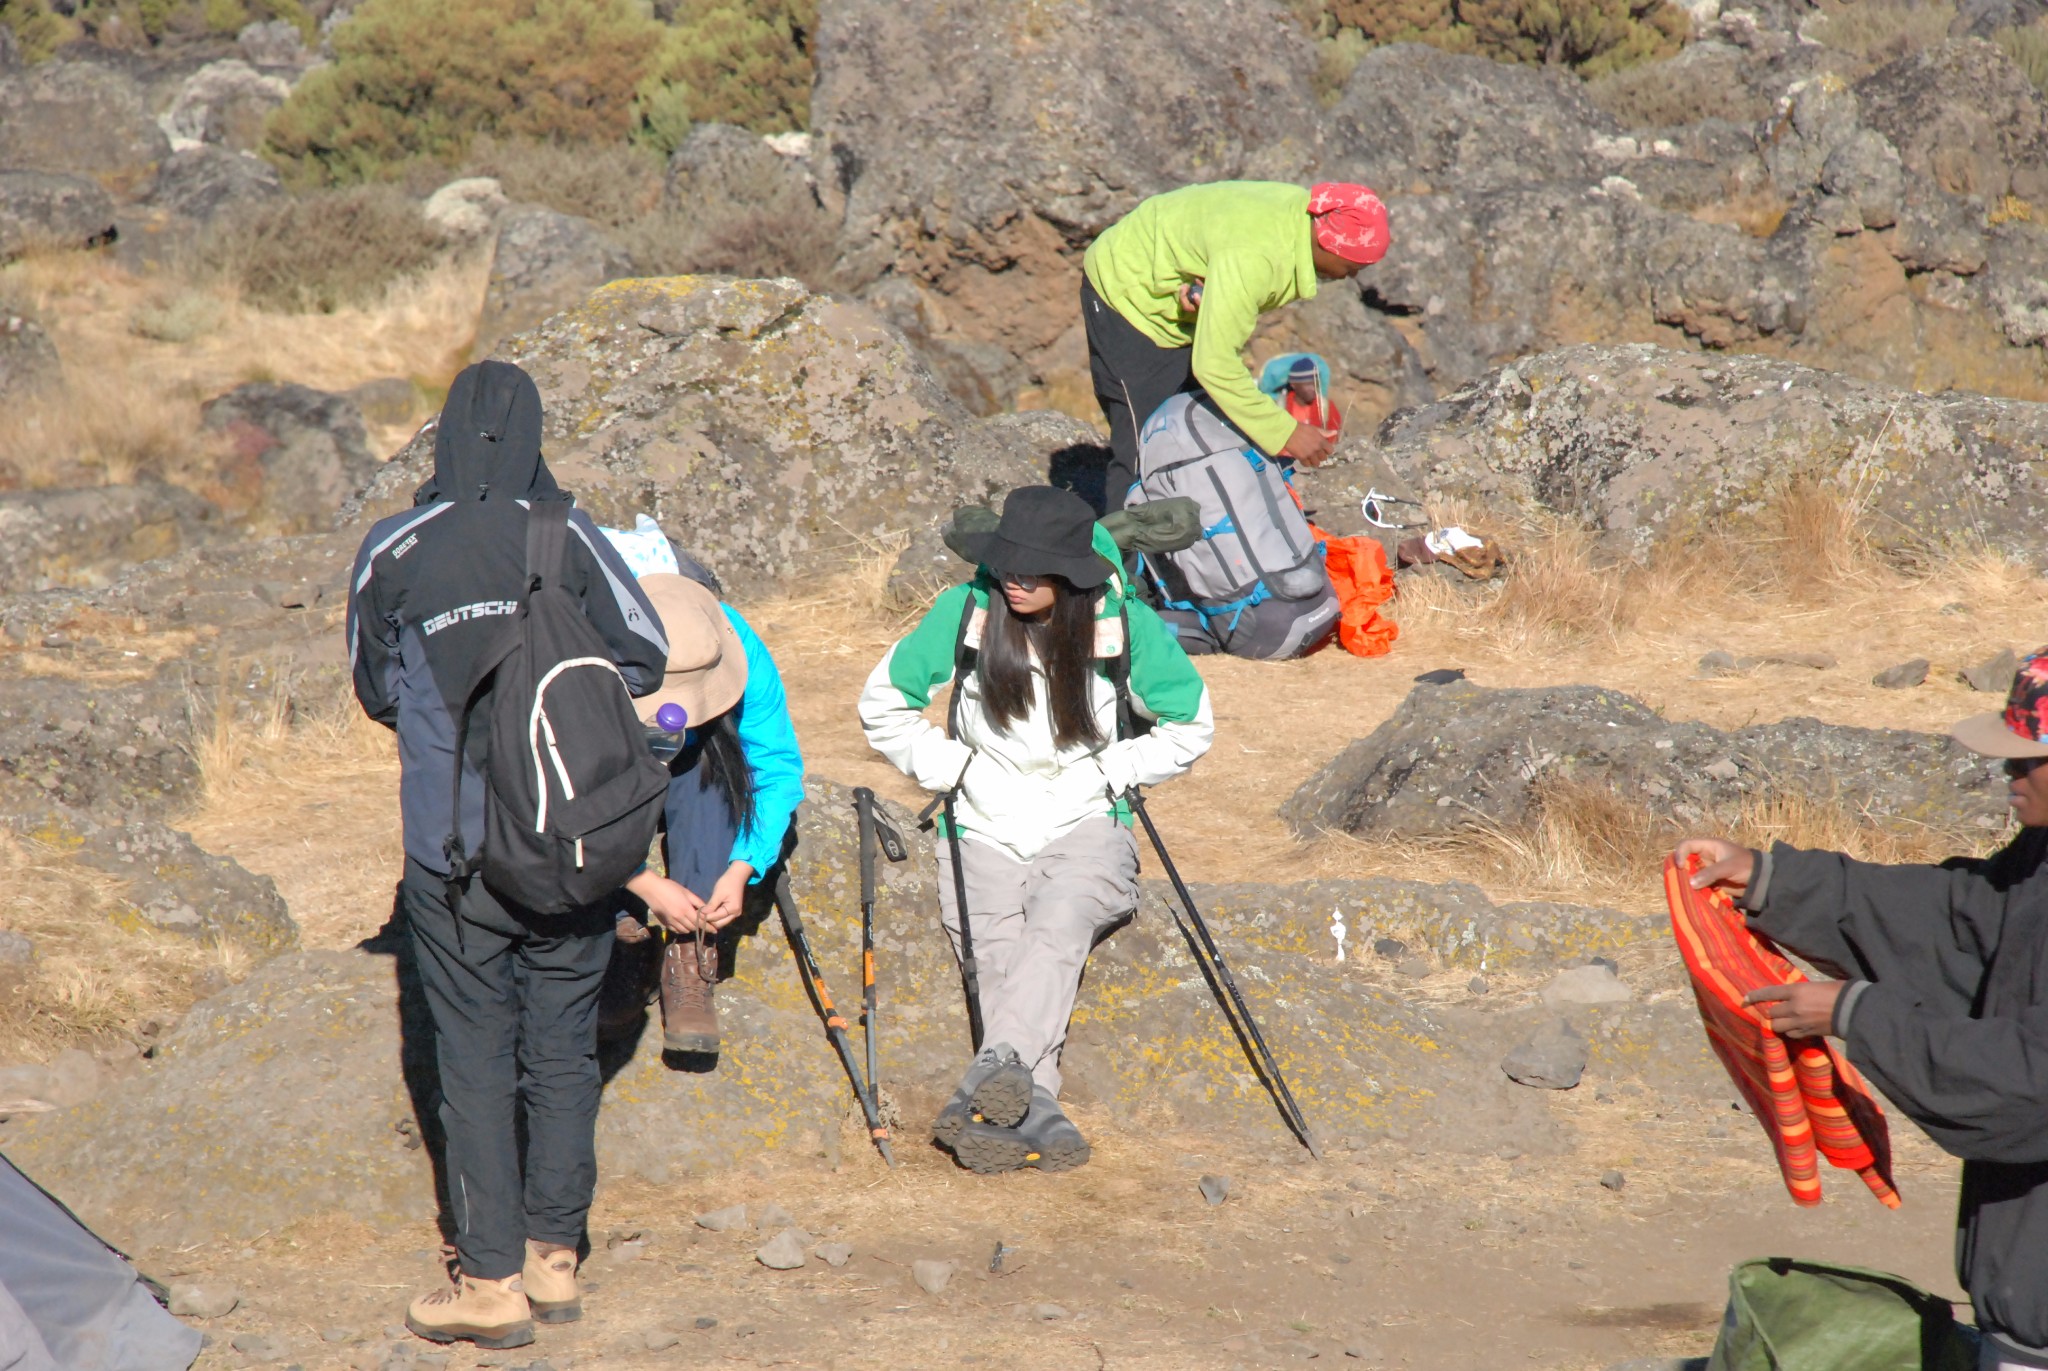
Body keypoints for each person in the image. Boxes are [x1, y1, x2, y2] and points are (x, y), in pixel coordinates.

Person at [348, 361, 669, 1350]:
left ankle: (487, 1281)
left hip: (451, 855)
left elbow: (372, 687)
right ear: (534, 435)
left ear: (442, 438)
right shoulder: (567, 533)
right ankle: (553, 1259)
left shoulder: (394, 547)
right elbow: (646, 653)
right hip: (567, 841)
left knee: (473, 1060)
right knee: (563, 1045)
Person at [1676, 649, 2048, 1371]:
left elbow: (2030, 1077)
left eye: (2025, 758)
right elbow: (1952, 917)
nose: (2007, 773)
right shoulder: (2038, 862)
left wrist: (1856, 1013)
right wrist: (1771, 880)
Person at [858, 485, 1215, 1172]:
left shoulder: (1124, 624)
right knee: (995, 957)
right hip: (980, 824)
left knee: (1059, 922)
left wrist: (1118, 768)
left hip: (1085, 820)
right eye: (1007, 565)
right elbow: (883, 704)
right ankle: (1040, 1117)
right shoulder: (964, 610)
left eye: (1033, 570)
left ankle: (981, 1088)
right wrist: (949, 766)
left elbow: (1191, 722)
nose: (1013, 580)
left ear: (1072, 576)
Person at [1082, 180, 1389, 510]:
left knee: (1206, 430)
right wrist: (1286, 432)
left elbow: (1218, 235)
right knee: (1145, 446)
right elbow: (1214, 364)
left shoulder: (1296, 219)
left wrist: (1203, 282)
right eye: (1353, 267)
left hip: (1173, 295)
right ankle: (1118, 556)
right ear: (1328, 244)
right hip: (1126, 295)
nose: (1351, 277)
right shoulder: (1259, 257)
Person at [600, 569, 805, 1056]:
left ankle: (689, 950)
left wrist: (742, 868)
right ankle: (620, 931)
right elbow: (556, 794)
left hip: (696, 767)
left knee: (716, 769)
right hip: (607, 762)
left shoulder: (737, 644)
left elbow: (775, 766)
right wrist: (641, 882)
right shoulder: (579, 650)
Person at [1258, 352, 1343, 449]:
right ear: (1294, 385)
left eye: (1315, 384)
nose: (1313, 388)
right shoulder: (1278, 406)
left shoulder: (1326, 407)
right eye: (1308, 385)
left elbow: (1334, 439)